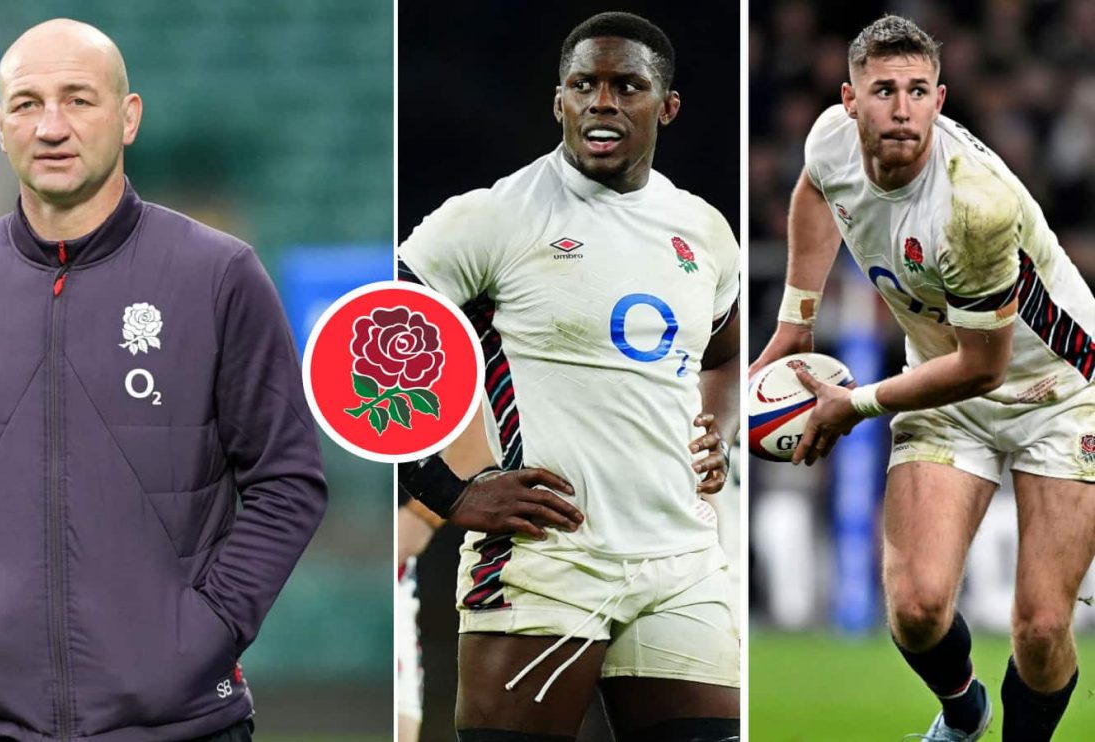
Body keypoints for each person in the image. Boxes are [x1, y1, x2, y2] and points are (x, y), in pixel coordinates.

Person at [0, 19, 327, 742]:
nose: (51, 126)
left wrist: (205, 632)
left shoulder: (219, 273)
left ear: (129, 116)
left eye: (78, 99)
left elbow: (287, 479)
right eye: (27, 104)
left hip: (179, 724)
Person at [397, 12, 741, 741]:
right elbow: (362, 352)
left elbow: (723, 352)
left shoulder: (704, 230)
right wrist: (447, 492)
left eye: (626, 86)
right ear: (560, 101)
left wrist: (721, 434)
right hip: (547, 558)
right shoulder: (492, 218)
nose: (602, 101)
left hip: (681, 559)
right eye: (584, 84)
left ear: (666, 107)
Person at [751, 14, 1095, 742]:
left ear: (941, 100)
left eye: (917, 90)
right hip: (946, 384)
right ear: (850, 100)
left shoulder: (974, 207)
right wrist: (796, 319)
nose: (901, 108)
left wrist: (857, 405)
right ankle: (963, 716)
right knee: (915, 608)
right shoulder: (830, 141)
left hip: (1062, 392)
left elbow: (984, 365)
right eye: (883, 90)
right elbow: (815, 191)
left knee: (1038, 626)